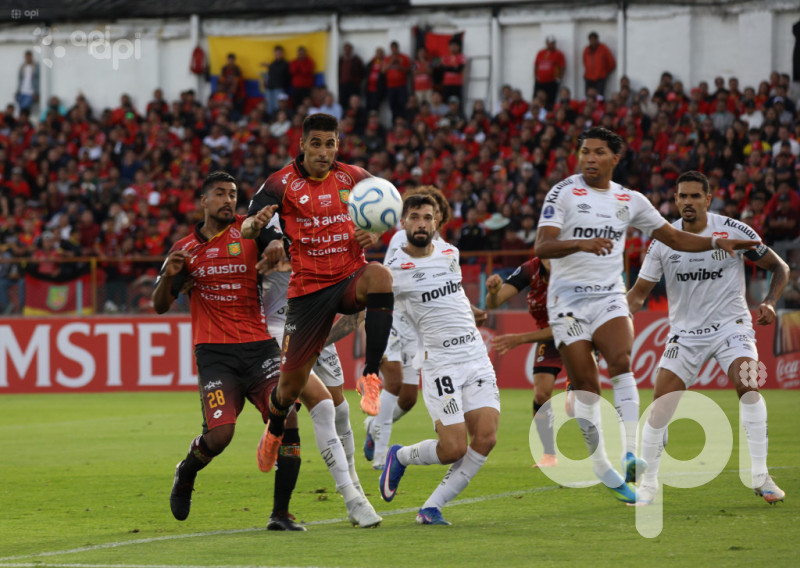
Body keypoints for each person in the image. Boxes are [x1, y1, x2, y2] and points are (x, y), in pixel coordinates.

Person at [534, 127, 759, 504]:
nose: (589, 158)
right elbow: (543, 244)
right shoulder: (563, 192)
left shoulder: (629, 199)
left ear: (614, 158)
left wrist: (717, 242)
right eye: (584, 151)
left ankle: (628, 452)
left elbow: (674, 237)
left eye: (598, 152)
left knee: (622, 360)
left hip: (608, 296)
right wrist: (580, 243)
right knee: (588, 388)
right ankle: (603, 466)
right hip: (568, 301)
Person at [242, 113, 394, 507]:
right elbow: (246, 228)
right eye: (316, 144)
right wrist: (256, 225)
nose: (324, 152)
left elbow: (386, 213)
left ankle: (372, 375)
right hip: (308, 293)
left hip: (347, 277)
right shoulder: (281, 183)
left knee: (380, 276)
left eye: (331, 143)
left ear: (337, 145)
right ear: (302, 144)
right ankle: (274, 429)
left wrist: (375, 232)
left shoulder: (355, 177)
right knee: (288, 389)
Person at [153, 171, 305, 530]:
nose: (228, 200)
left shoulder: (250, 230)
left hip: (259, 348)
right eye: (219, 194)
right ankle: (186, 471)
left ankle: (280, 514)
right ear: (203, 201)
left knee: (289, 419)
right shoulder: (184, 248)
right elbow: (160, 304)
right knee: (220, 437)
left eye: (233, 194)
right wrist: (169, 277)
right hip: (215, 354)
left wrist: (276, 245)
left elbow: (278, 239)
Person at [627, 170, 789, 505]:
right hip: (685, 335)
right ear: (675, 200)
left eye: (694, 196)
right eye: (682, 196)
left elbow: (780, 267)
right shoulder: (663, 242)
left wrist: (770, 302)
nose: (687, 202)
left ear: (708, 198)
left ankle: (760, 475)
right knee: (658, 410)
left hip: (733, 327)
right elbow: (638, 295)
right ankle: (649, 485)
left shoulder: (733, 230)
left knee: (749, 385)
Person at [380, 194, 500, 525]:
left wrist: (473, 311)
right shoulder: (393, 272)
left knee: (487, 437)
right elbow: (365, 309)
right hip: (440, 364)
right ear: (402, 223)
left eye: (427, 217)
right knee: (453, 448)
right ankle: (401, 456)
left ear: (437, 223)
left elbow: (453, 292)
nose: (421, 223)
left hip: (475, 356)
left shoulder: (450, 253)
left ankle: (431, 507)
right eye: (415, 217)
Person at [258, 218, 376, 526]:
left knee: (341, 412)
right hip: (278, 332)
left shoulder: (332, 236)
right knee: (323, 408)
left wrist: (320, 338)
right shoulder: (267, 230)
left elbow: (353, 319)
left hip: (316, 331)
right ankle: (351, 497)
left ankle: (356, 490)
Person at [485, 256, 574, 468]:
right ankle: (549, 455)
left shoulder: (574, 269)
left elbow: (566, 326)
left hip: (579, 333)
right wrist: (493, 292)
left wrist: (519, 339)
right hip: (548, 335)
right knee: (541, 394)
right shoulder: (530, 270)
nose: (552, 258)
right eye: (546, 251)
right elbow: (493, 304)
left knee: (578, 408)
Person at [534, 36, 566, 110]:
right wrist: (535, 76)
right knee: (537, 98)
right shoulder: (541, 52)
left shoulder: (559, 54)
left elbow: (562, 66)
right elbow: (536, 64)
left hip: (552, 82)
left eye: (552, 43)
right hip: (540, 81)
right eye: (549, 43)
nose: (551, 45)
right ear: (546, 43)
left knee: (550, 100)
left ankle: (548, 114)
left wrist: (559, 78)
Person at [383, 41, 411, 123]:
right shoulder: (387, 58)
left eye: (395, 48)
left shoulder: (404, 57)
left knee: (403, 105)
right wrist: (391, 62)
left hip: (401, 86)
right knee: (393, 106)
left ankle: (403, 123)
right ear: (391, 49)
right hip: (390, 87)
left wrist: (399, 67)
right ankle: (394, 124)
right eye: (392, 48)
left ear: (398, 48)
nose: (394, 50)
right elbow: (383, 70)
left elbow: (409, 70)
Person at [582, 32, 615, 98]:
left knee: (600, 96)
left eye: (594, 39)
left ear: (597, 39)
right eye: (591, 39)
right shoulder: (586, 50)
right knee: (588, 95)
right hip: (589, 77)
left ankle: (600, 107)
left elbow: (611, 62)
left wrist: (605, 71)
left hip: (600, 77)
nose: (593, 41)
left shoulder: (603, 48)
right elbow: (584, 61)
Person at [262, 45, 291, 118]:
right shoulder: (272, 63)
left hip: (279, 87)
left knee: (277, 106)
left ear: (282, 53)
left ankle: (277, 119)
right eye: (276, 53)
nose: (277, 54)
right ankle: (270, 121)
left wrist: (270, 66)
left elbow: (280, 72)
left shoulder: (285, 63)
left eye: (279, 53)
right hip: (270, 88)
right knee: (269, 106)